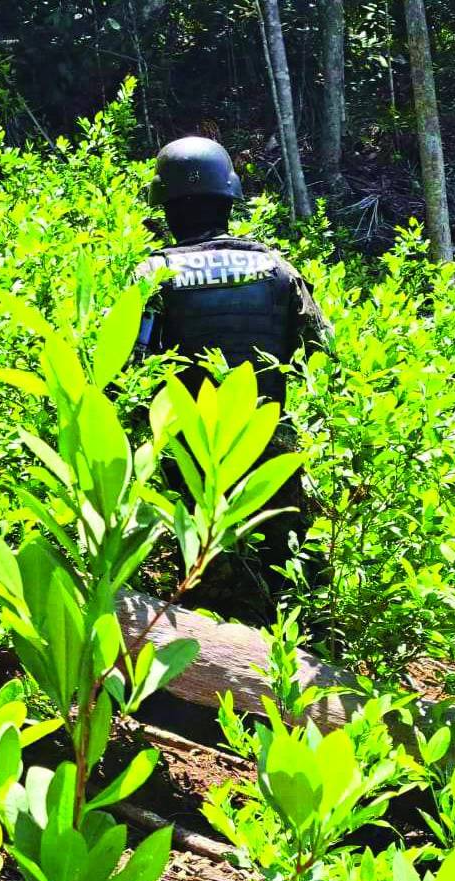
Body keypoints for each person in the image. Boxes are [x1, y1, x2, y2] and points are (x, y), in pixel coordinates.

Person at [135, 135, 331, 623]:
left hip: (193, 453)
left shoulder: (154, 272)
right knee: (286, 581)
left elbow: (129, 371)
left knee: (203, 592)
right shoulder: (277, 266)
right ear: (229, 199)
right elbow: (321, 353)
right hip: (270, 445)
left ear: (167, 206)